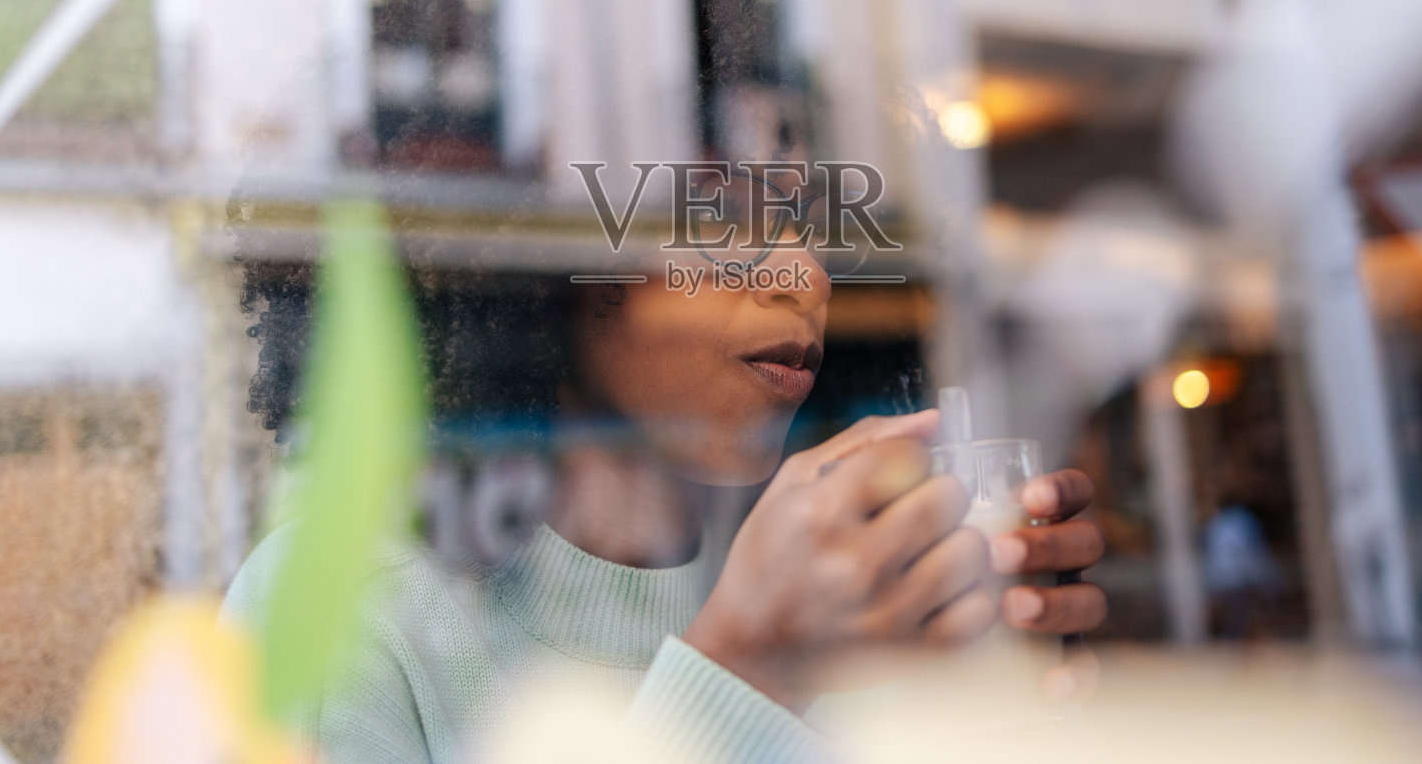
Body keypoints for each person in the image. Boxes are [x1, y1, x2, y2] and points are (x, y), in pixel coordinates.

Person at [224, 174, 1107, 763]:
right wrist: (747, 665)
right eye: (723, 220)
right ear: (559, 264)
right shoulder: (336, 604)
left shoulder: (858, 590)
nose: (801, 275)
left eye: (812, 231)